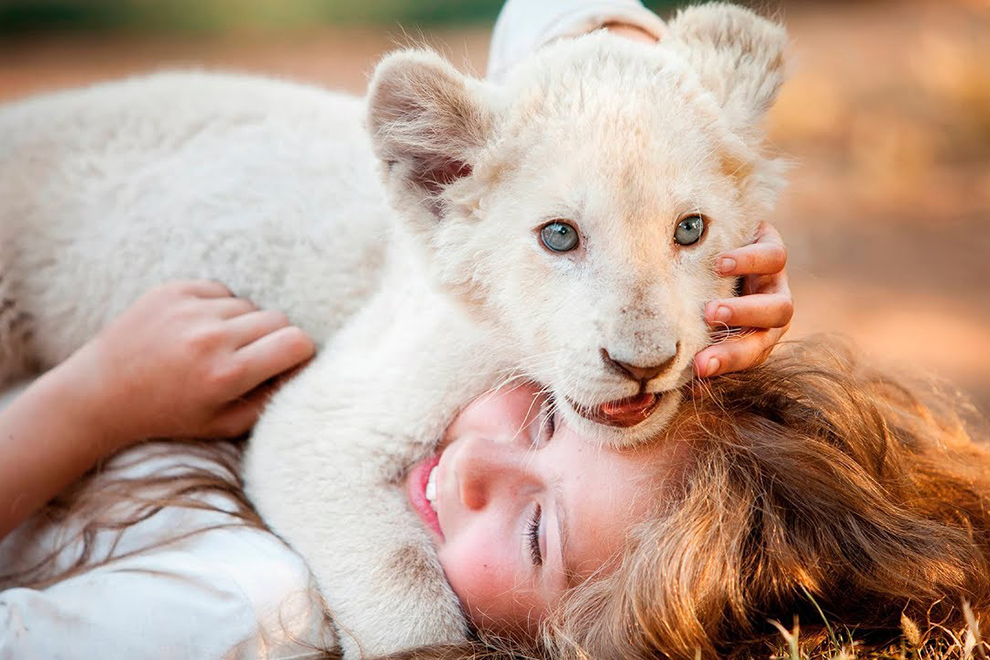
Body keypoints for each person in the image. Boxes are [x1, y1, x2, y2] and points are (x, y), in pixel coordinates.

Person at [0, 0, 798, 657]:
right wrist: (418, 644)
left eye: (688, 229)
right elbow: (310, 460)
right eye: (562, 237)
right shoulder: (470, 288)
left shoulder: (572, 234)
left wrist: (701, 228)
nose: (647, 343)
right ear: (443, 185)